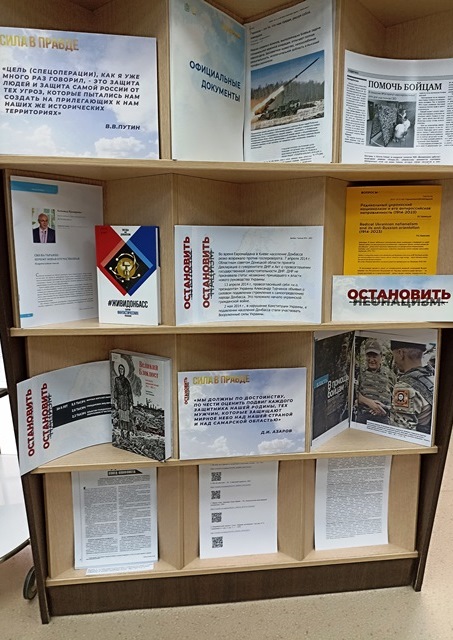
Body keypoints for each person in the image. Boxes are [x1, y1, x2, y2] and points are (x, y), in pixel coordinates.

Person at [390, 341, 434, 434]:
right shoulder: (432, 376)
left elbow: (401, 432)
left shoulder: (404, 387)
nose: (394, 361)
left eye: (394, 355)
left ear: (400, 353)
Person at [356, 338, 395, 425]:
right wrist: (368, 402)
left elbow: (396, 399)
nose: (371, 360)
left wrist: (386, 409)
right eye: (369, 356)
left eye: (374, 356)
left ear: (381, 356)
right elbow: (353, 395)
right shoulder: (360, 373)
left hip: (383, 420)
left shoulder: (390, 375)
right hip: (363, 418)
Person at [113, 363, 134, 433]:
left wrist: (131, 404)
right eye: (120, 369)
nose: (121, 370)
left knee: (126, 416)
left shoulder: (127, 381)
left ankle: (127, 432)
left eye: (122, 369)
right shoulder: (117, 379)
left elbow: (130, 393)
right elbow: (115, 391)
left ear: (124, 370)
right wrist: (115, 401)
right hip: (120, 400)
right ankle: (122, 431)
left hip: (126, 401)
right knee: (121, 416)